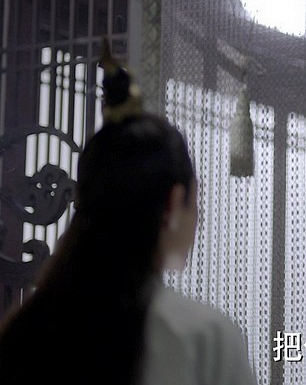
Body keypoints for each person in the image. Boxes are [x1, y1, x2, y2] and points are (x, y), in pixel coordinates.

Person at [0, 48, 257, 385]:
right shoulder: (204, 338)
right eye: (195, 202)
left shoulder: (24, 331)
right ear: (173, 204)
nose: (198, 220)